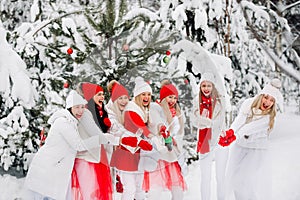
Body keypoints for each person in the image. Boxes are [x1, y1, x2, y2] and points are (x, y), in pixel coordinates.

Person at [24, 90, 111, 200]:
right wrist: (99, 139)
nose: (80, 111)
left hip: (57, 166)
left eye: (82, 107)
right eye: (77, 107)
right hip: (49, 166)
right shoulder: (63, 122)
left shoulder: (72, 121)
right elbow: (78, 145)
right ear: (70, 108)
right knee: (47, 195)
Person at [224, 78, 283, 200]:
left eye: (272, 100)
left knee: (245, 181)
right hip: (240, 147)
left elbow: (250, 127)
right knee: (234, 180)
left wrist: (236, 135)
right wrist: (231, 131)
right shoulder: (248, 103)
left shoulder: (269, 118)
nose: (267, 102)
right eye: (266, 97)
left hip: (256, 150)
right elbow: (240, 119)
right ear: (261, 95)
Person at [110, 77, 154, 200]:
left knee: (139, 188)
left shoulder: (144, 110)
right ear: (137, 95)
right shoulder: (132, 110)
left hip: (137, 154)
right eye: (143, 94)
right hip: (126, 154)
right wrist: (153, 141)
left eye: (149, 94)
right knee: (130, 189)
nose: (146, 97)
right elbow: (144, 130)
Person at [145, 80, 187, 200]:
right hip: (159, 154)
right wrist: (163, 132)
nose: (172, 100)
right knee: (156, 186)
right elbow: (156, 126)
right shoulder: (155, 108)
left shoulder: (177, 113)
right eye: (169, 97)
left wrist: (174, 140)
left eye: (174, 98)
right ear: (163, 98)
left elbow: (180, 133)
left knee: (177, 186)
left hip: (172, 154)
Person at [191, 72, 229, 200]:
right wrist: (203, 121)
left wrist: (208, 122)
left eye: (208, 86)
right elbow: (193, 120)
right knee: (205, 178)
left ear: (213, 86)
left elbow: (221, 121)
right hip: (204, 143)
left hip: (219, 141)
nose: (206, 88)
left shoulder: (220, 101)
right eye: (203, 86)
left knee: (220, 176)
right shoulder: (197, 102)